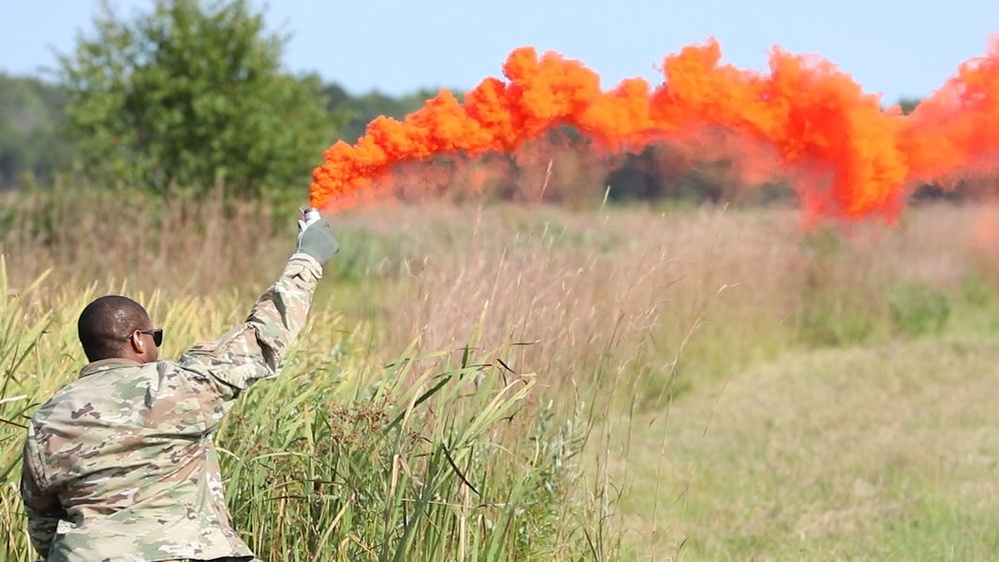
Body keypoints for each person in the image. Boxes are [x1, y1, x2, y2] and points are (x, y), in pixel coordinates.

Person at [19, 211, 341, 562]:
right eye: (155, 335)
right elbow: (264, 335)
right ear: (139, 341)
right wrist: (309, 256)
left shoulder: (47, 421)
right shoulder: (177, 388)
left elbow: (42, 520)